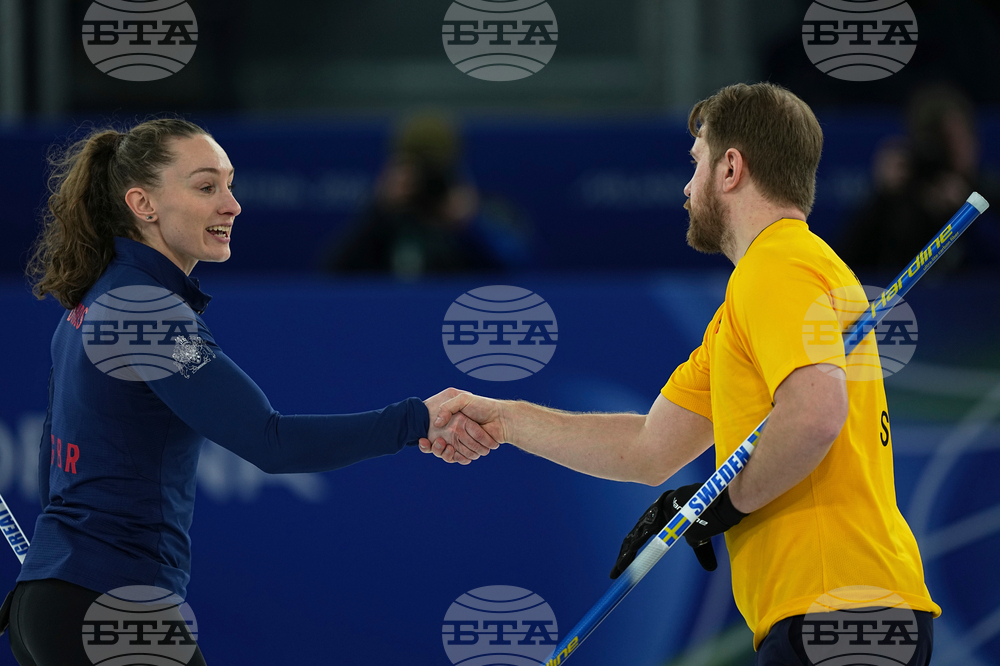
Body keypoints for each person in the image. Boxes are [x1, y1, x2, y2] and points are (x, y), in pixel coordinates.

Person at [422, 83, 940, 664]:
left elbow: (815, 415)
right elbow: (648, 449)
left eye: (696, 164)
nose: (686, 188)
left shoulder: (779, 264)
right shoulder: (757, 299)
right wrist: (507, 420)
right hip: (839, 609)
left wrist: (726, 502)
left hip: (836, 608)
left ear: (731, 168)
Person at [5, 118, 498, 666]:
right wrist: (417, 420)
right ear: (143, 204)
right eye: (205, 186)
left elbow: (58, 459)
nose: (232, 205)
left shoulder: (98, 300)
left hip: (58, 604)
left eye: (230, 184)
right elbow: (271, 441)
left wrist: (54, 585)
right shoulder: (144, 314)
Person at [321, 114, 532, 278]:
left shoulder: (486, 210)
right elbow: (335, 276)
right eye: (415, 166)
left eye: (434, 167)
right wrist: (378, 212)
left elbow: (521, 272)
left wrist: (471, 224)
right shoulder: (388, 221)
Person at [838, 83, 1000, 273]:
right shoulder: (899, 199)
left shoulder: (988, 193)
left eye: (963, 137)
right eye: (944, 141)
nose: (957, 149)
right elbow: (846, 265)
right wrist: (881, 198)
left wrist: (967, 214)